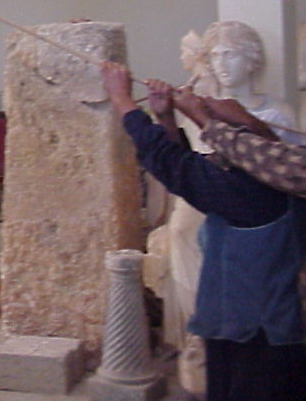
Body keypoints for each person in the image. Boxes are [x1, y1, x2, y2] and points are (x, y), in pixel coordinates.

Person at [101, 62, 306, 401]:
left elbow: (172, 164)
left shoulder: (254, 194)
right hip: (253, 327)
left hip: (255, 334)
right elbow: (197, 167)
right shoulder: (270, 179)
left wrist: (123, 100)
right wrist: (167, 118)